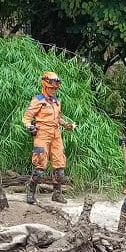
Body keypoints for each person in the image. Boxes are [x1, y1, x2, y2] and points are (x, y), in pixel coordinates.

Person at [21, 71, 77, 204]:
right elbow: (27, 117)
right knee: (40, 167)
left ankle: (57, 194)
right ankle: (31, 193)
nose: (54, 90)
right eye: (51, 88)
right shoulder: (38, 100)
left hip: (56, 135)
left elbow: (57, 118)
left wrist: (67, 125)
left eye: (55, 89)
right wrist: (29, 126)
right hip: (42, 134)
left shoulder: (57, 102)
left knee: (60, 167)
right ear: (45, 86)